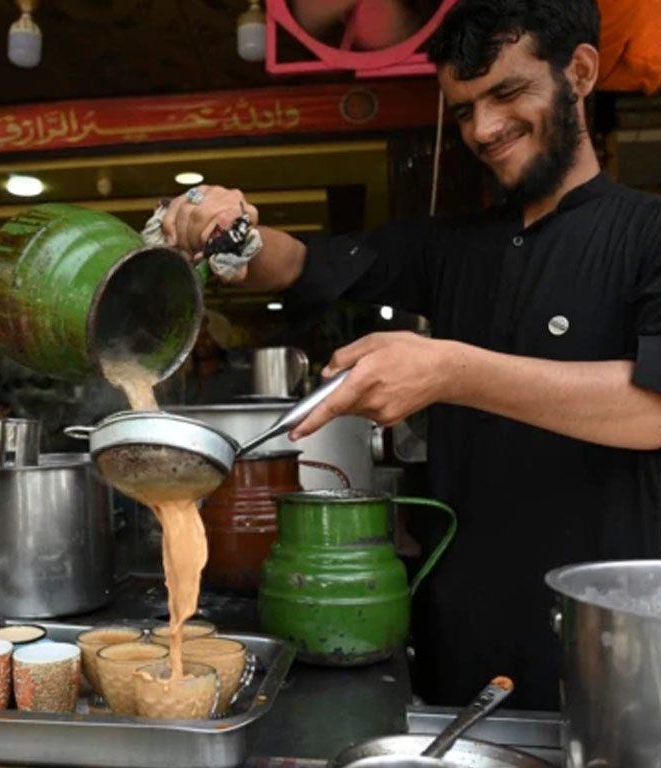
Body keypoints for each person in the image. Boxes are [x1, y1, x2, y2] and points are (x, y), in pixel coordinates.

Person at [161, 0, 661, 710]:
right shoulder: (451, 246)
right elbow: (303, 265)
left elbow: (653, 408)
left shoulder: (648, 235)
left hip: (603, 653)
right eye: (462, 109)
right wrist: (231, 232)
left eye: (508, 93)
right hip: (458, 644)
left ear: (578, 73)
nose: (483, 130)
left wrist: (452, 369)